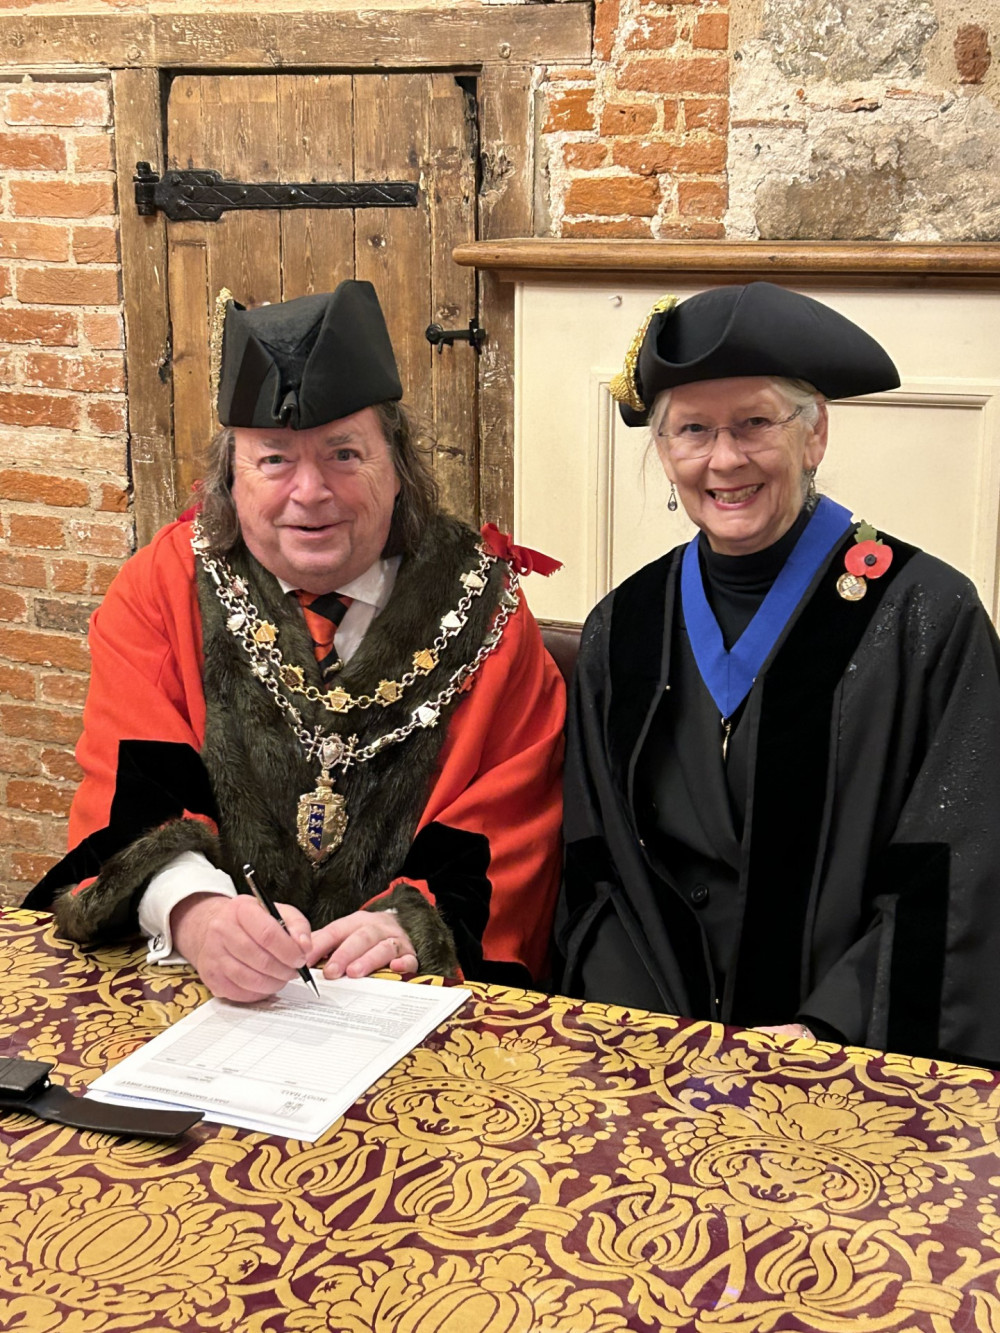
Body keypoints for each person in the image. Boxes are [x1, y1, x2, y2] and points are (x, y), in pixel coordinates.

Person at [27, 281, 565, 1002]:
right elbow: (130, 798)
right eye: (274, 459)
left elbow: (510, 824)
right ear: (230, 477)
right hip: (200, 1002)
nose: (310, 491)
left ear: (398, 467)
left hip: (409, 1008)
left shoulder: (482, 609)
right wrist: (196, 912)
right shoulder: (163, 590)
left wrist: (416, 925)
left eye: (345, 454)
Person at [556, 281, 1000, 1068]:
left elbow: (958, 870)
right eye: (692, 429)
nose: (725, 459)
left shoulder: (925, 617)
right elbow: (598, 871)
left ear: (815, 432)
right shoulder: (622, 628)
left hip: (840, 1058)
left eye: (755, 422)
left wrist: (830, 1028)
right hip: (661, 1049)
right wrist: (649, 1035)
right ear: (664, 451)